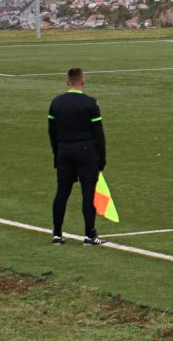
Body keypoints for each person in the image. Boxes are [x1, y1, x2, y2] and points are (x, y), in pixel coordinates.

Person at [49, 67, 106, 246]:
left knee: (62, 192)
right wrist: (102, 158)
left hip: (64, 150)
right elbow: (99, 133)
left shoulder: (56, 102)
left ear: (67, 82)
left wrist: (57, 153)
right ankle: (90, 235)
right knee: (88, 193)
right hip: (86, 151)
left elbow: (51, 132)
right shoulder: (90, 103)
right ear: (83, 81)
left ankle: (57, 234)